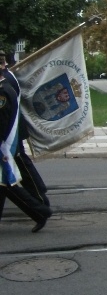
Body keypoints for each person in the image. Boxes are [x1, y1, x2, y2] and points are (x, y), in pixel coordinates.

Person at [0, 48, 51, 214]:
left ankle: (39, 198)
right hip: (10, 130)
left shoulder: (5, 80)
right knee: (10, 175)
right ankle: (38, 205)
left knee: (21, 167)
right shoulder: (7, 75)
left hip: (10, 133)